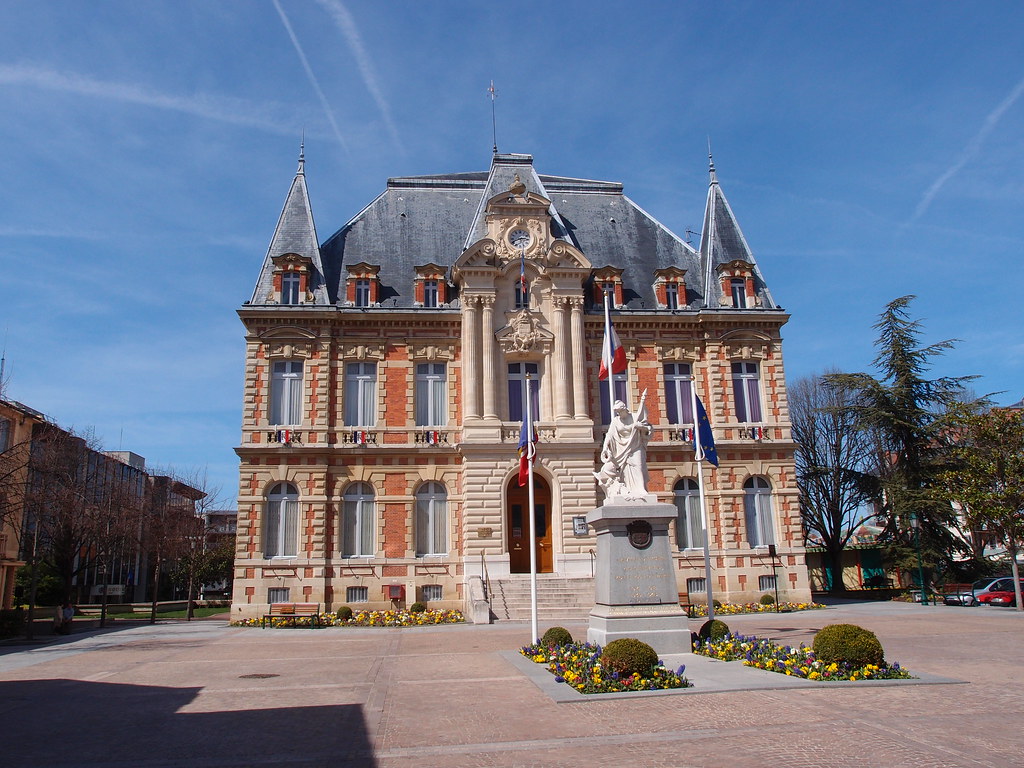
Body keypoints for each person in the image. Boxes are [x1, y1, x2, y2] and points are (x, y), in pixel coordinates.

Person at [597, 390, 653, 500]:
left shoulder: (635, 417)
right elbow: (609, 435)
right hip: (621, 449)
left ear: (624, 409)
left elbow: (649, 429)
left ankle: (640, 488)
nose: (618, 414)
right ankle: (627, 489)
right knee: (621, 472)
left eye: (619, 411)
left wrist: (640, 427)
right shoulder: (616, 421)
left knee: (638, 466)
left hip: (635, 446)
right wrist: (604, 448)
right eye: (617, 412)